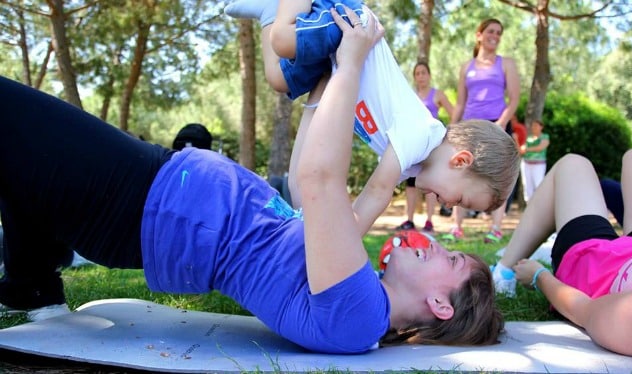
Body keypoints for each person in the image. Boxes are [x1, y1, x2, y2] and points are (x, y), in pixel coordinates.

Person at [0, 8, 503, 353]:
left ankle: (32, 281)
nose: (437, 245)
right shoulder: (360, 289)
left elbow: (319, 178)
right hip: (158, 194)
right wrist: (323, 87)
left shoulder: (360, 315)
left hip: (142, 207)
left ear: (440, 304)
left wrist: (351, 64)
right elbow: (309, 191)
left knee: (12, 116)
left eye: (452, 259)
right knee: (21, 156)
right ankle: (32, 286)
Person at [225, 0, 520, 235]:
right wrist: (344, 249)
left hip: (338, 59)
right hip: (353, 26)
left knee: (279, 78)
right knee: (282, 39)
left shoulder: (414, 164)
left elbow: (316, 178)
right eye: (461, 200)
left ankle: (268, 9)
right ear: (461, 161)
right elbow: (376, 193)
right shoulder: (421, 135)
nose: (449, 204)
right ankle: (279, 16)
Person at [490, 151, 632, 356]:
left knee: (572, 164)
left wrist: (539, 276)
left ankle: (503, 273)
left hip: (593, 265)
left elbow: (583, 309)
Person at [442, 18, 520, 244]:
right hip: (469, 125)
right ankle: (456, 226)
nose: (494, 35)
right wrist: (451, 127)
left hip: (496, 123)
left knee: (498, 175)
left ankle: (495, 228)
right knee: (461, 172)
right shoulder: (467, 67)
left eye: (498, 32)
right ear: (479, 35)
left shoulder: (506, 64)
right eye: (490, 31)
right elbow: (460, 103)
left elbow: (514, 99)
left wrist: (501, 123)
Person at [396, 61, 454, 233]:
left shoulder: (438, 95)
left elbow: (454, 114)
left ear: (429, 75)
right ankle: (409, 220)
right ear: (414, 77)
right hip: (413, 145)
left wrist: (447, 136)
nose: (421, 76)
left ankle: (429, 221)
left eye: (424, 73)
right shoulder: (409, 95)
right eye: (418, 73)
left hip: (431, 146)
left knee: (429, 184)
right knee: (411, 184)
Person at [519, 119, 549, 202]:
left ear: (541, 127)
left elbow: (541, 147)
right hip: (526, 164)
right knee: (527, 185)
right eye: (533, 125)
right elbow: (521, 149)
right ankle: (529, 205)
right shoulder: (528, 138)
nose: (534, 127)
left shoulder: (544, 137)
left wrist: (527, 149)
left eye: (536, 125)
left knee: (538, 184)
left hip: (538, 165)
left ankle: (540, 205)